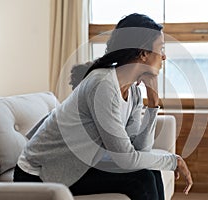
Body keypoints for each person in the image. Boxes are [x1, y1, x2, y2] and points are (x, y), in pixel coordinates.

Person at [14, 13, 193, 200]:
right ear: (143, 53)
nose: (164, 57)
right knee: (142, 179)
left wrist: (153, 105)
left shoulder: (133, 92)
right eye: (161, 49)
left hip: (78, 167)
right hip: (39, 174)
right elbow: (126, 159)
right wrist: (173, 161)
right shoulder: (103, 85)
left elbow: (140, 150)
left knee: (151, 172)